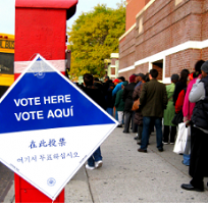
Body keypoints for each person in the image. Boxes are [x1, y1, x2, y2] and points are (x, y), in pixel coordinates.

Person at [181, 60, 208, 192]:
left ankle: (197, 182)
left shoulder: (202, 83)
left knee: (198, 153)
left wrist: (198, 83)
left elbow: (191, 98)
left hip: (202, 124)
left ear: (203, 72)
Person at [138, 69, 167, 153]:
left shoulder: (146, 85)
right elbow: (165, 99)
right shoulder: (162, 86)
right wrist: (163, 106)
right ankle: (160, 146)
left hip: (147, 111)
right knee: (159, 129)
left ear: (150, 75)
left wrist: (141, 105)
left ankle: (143, 147)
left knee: (146, 129)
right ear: (157, 75)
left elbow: (142, 98)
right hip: (158, 111)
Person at [182, 60, 205, 166]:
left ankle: (188, 161)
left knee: (191, 141)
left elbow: (188, 99)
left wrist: (186, 116)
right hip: (203, 118)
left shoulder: (195, 83)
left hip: (194, 116)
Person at [81, 73, 105, 170]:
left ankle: (90, 163)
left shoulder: (81, 92)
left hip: (84, 119)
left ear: (84, 82)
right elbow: (104, 105)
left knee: (87, 141)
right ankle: (98, 158)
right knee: (95, 138)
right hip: (96, 118)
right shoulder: (98, 92)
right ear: (93, 81)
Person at [163, 74, 179, 145]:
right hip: (175, 106)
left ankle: (165, 139)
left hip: (167, 106)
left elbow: (163, 97)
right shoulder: (179, 88)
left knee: (166, 123)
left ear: (171, 80)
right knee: (173, 123)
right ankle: (172, 140)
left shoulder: (167, 87)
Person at [132, 73, 146, 141]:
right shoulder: (147, 84)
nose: (136, 78)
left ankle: (140, 137)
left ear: (140, 77)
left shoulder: (139, 85)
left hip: (139, 106)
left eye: (137, 76)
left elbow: (134, 96)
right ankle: (145, 137)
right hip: (147, 106)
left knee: (140, 122)